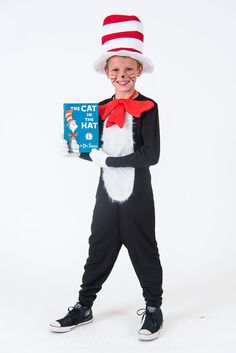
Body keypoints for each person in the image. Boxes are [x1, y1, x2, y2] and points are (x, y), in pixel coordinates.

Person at [50, 14, 163, 341]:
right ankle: (84, 306)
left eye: (129, 69)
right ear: (106, 72)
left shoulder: (150, 107)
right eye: (116, 69)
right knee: (98, 247)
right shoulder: (97, 108)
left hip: (137, 195)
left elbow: (150, 156)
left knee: (144, 249)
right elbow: (89, 149)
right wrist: (73, 146)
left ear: (139, 70)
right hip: (106, 196)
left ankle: (153, 309)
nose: (122, 75)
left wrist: (108, 160)